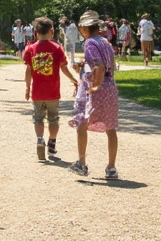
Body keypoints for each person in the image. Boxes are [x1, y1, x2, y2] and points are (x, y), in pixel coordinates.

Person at [67, 10, 119, 178]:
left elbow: (99, 66)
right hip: (110, 86)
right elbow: (105, 64)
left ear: (84, 28)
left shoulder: (89, 43)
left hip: (98, 88)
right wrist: (83, 65)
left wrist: (94, 86)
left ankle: (81, 163)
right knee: (110, 127)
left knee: (82, 121)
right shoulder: (105, 41)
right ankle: (111, 168)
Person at [25, 17, 77, 161]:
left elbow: (28, 71)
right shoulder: (56, 48)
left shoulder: (30, 49)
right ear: (52, 32)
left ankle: (40, 139)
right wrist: (74, 80)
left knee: (38, 117)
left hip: (37, 92)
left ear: (36, 33)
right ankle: (52, 144)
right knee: (53, 118)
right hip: (53, 92)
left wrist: (27, 87)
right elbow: (64, 68)